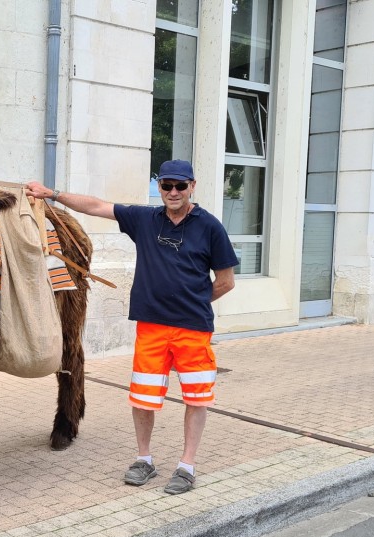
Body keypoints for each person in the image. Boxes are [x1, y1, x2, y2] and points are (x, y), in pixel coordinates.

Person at [25, 159, 239, 495]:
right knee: (143, 399)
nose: (172, 192)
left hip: (193, 330)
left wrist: (193, 302)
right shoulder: (145, 219)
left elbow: (226, 282)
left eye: (180, 186)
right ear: (160, 186)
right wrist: (51, 194)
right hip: (151, 329)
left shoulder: (209, 227)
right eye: (166, 185)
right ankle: (144, 459)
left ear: (192, 187)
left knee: (197, 399)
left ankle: (186, 465)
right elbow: (97, 206)